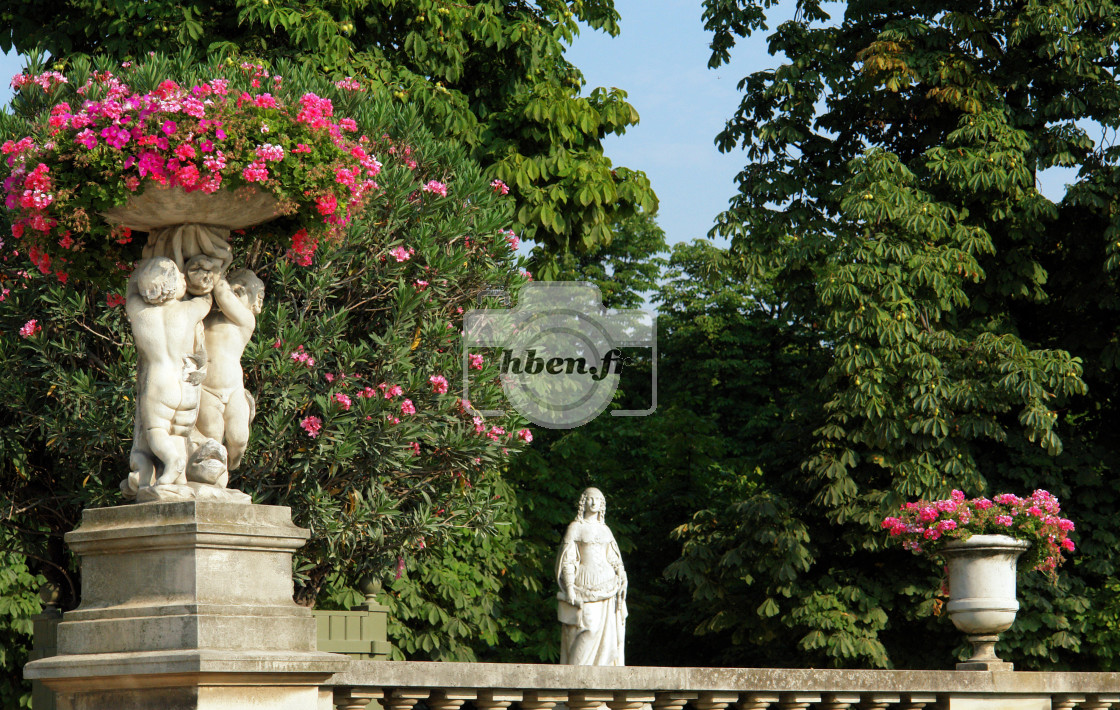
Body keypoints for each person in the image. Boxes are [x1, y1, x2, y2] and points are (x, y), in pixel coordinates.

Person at [124, 257, 213, 500]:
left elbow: (130, 290)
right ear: (175, 286)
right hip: (187, 380)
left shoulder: (140, 312)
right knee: (179, 432)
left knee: (156, 432)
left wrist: (143, 272)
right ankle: (179, 478)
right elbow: (207, 297)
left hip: (159, 382)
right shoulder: (189, 310)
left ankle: (172, 461)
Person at [194, 269, 264, 474]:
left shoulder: (245, 320)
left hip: (234, 390)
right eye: (234, 291)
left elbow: (223, 294)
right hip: (207, 389)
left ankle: (233, 464)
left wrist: (215, 269)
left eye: (240, 292)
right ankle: (218, 477)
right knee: (212, 436)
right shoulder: (206, 316)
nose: (233, 295)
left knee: (239, 437)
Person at [556, 487, 628, 666]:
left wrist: (621, 573)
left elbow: (613, 557)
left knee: (609, 634)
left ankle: (600, 671)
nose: (594, 502)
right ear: (583, 502)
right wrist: (570, 587)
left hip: (609, 585)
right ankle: (575, 673)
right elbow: (568, 559)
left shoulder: (606, 530)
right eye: (590, 499)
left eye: (598, 499)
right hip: (584, 584)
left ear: (602, 504)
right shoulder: (575, 528)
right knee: (588, 628)